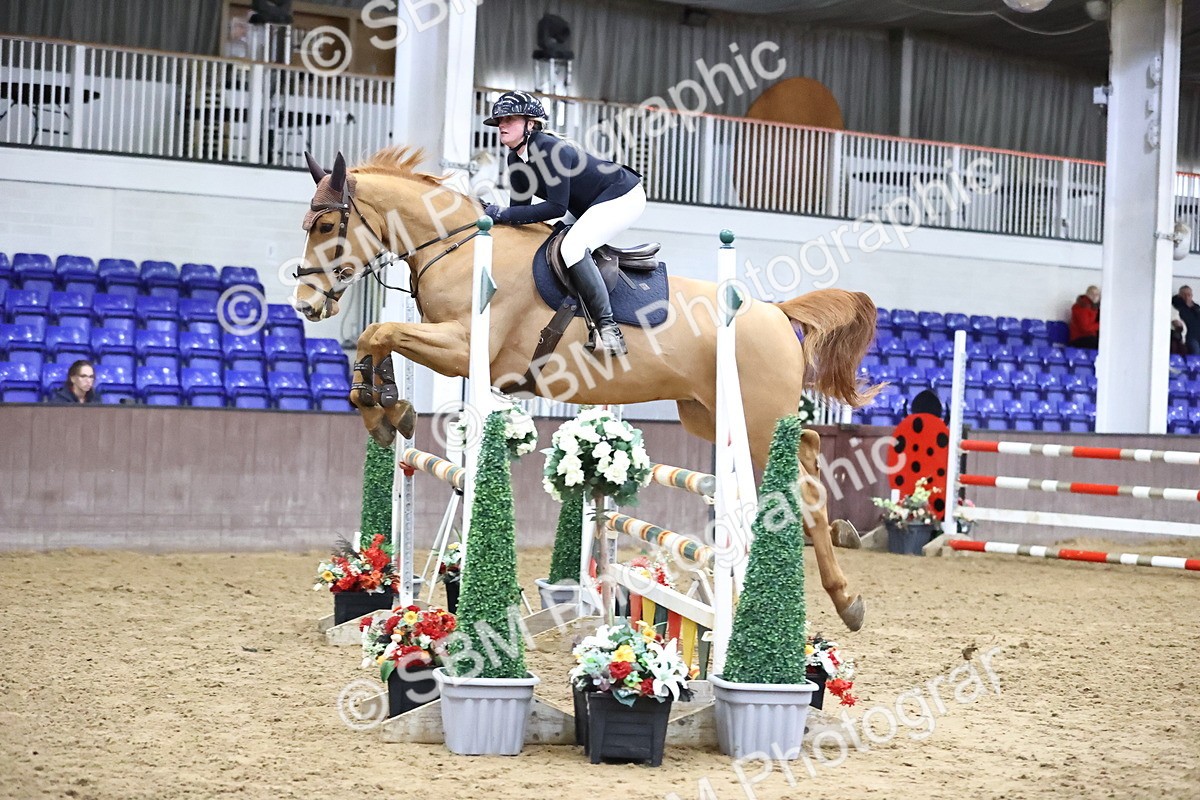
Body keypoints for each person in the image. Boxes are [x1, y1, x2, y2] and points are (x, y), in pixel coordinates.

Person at [481, 90, 647, 356]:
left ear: (530, 124)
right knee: (549, 245)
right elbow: (519, 212)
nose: (501, 125)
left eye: (509, 119)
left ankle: (609, 329)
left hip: (622, 195)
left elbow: (555, 208)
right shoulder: (516, 159)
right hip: (586, 205)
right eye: (499, 120)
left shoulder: (548, 148)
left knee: (572, 248)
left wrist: (500, 213)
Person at [1068, 285, 1100, 349]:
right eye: (1092, 294)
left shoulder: (1094, 307)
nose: (1095, 296)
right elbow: (1085, 328)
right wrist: (1100, 325)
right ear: (1087, 294)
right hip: (1079, 338)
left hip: (1089, 337)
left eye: (1097, 294)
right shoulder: (1082, 306)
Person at [1172, 285, 1200, 356]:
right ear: (1179, 295)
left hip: (1198, 335)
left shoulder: (1196, 308)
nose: (1187, 297)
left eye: (1189, 295)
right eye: (1184, 295)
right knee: (1195, 349)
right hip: (1188, 337)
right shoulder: (1176, 305)